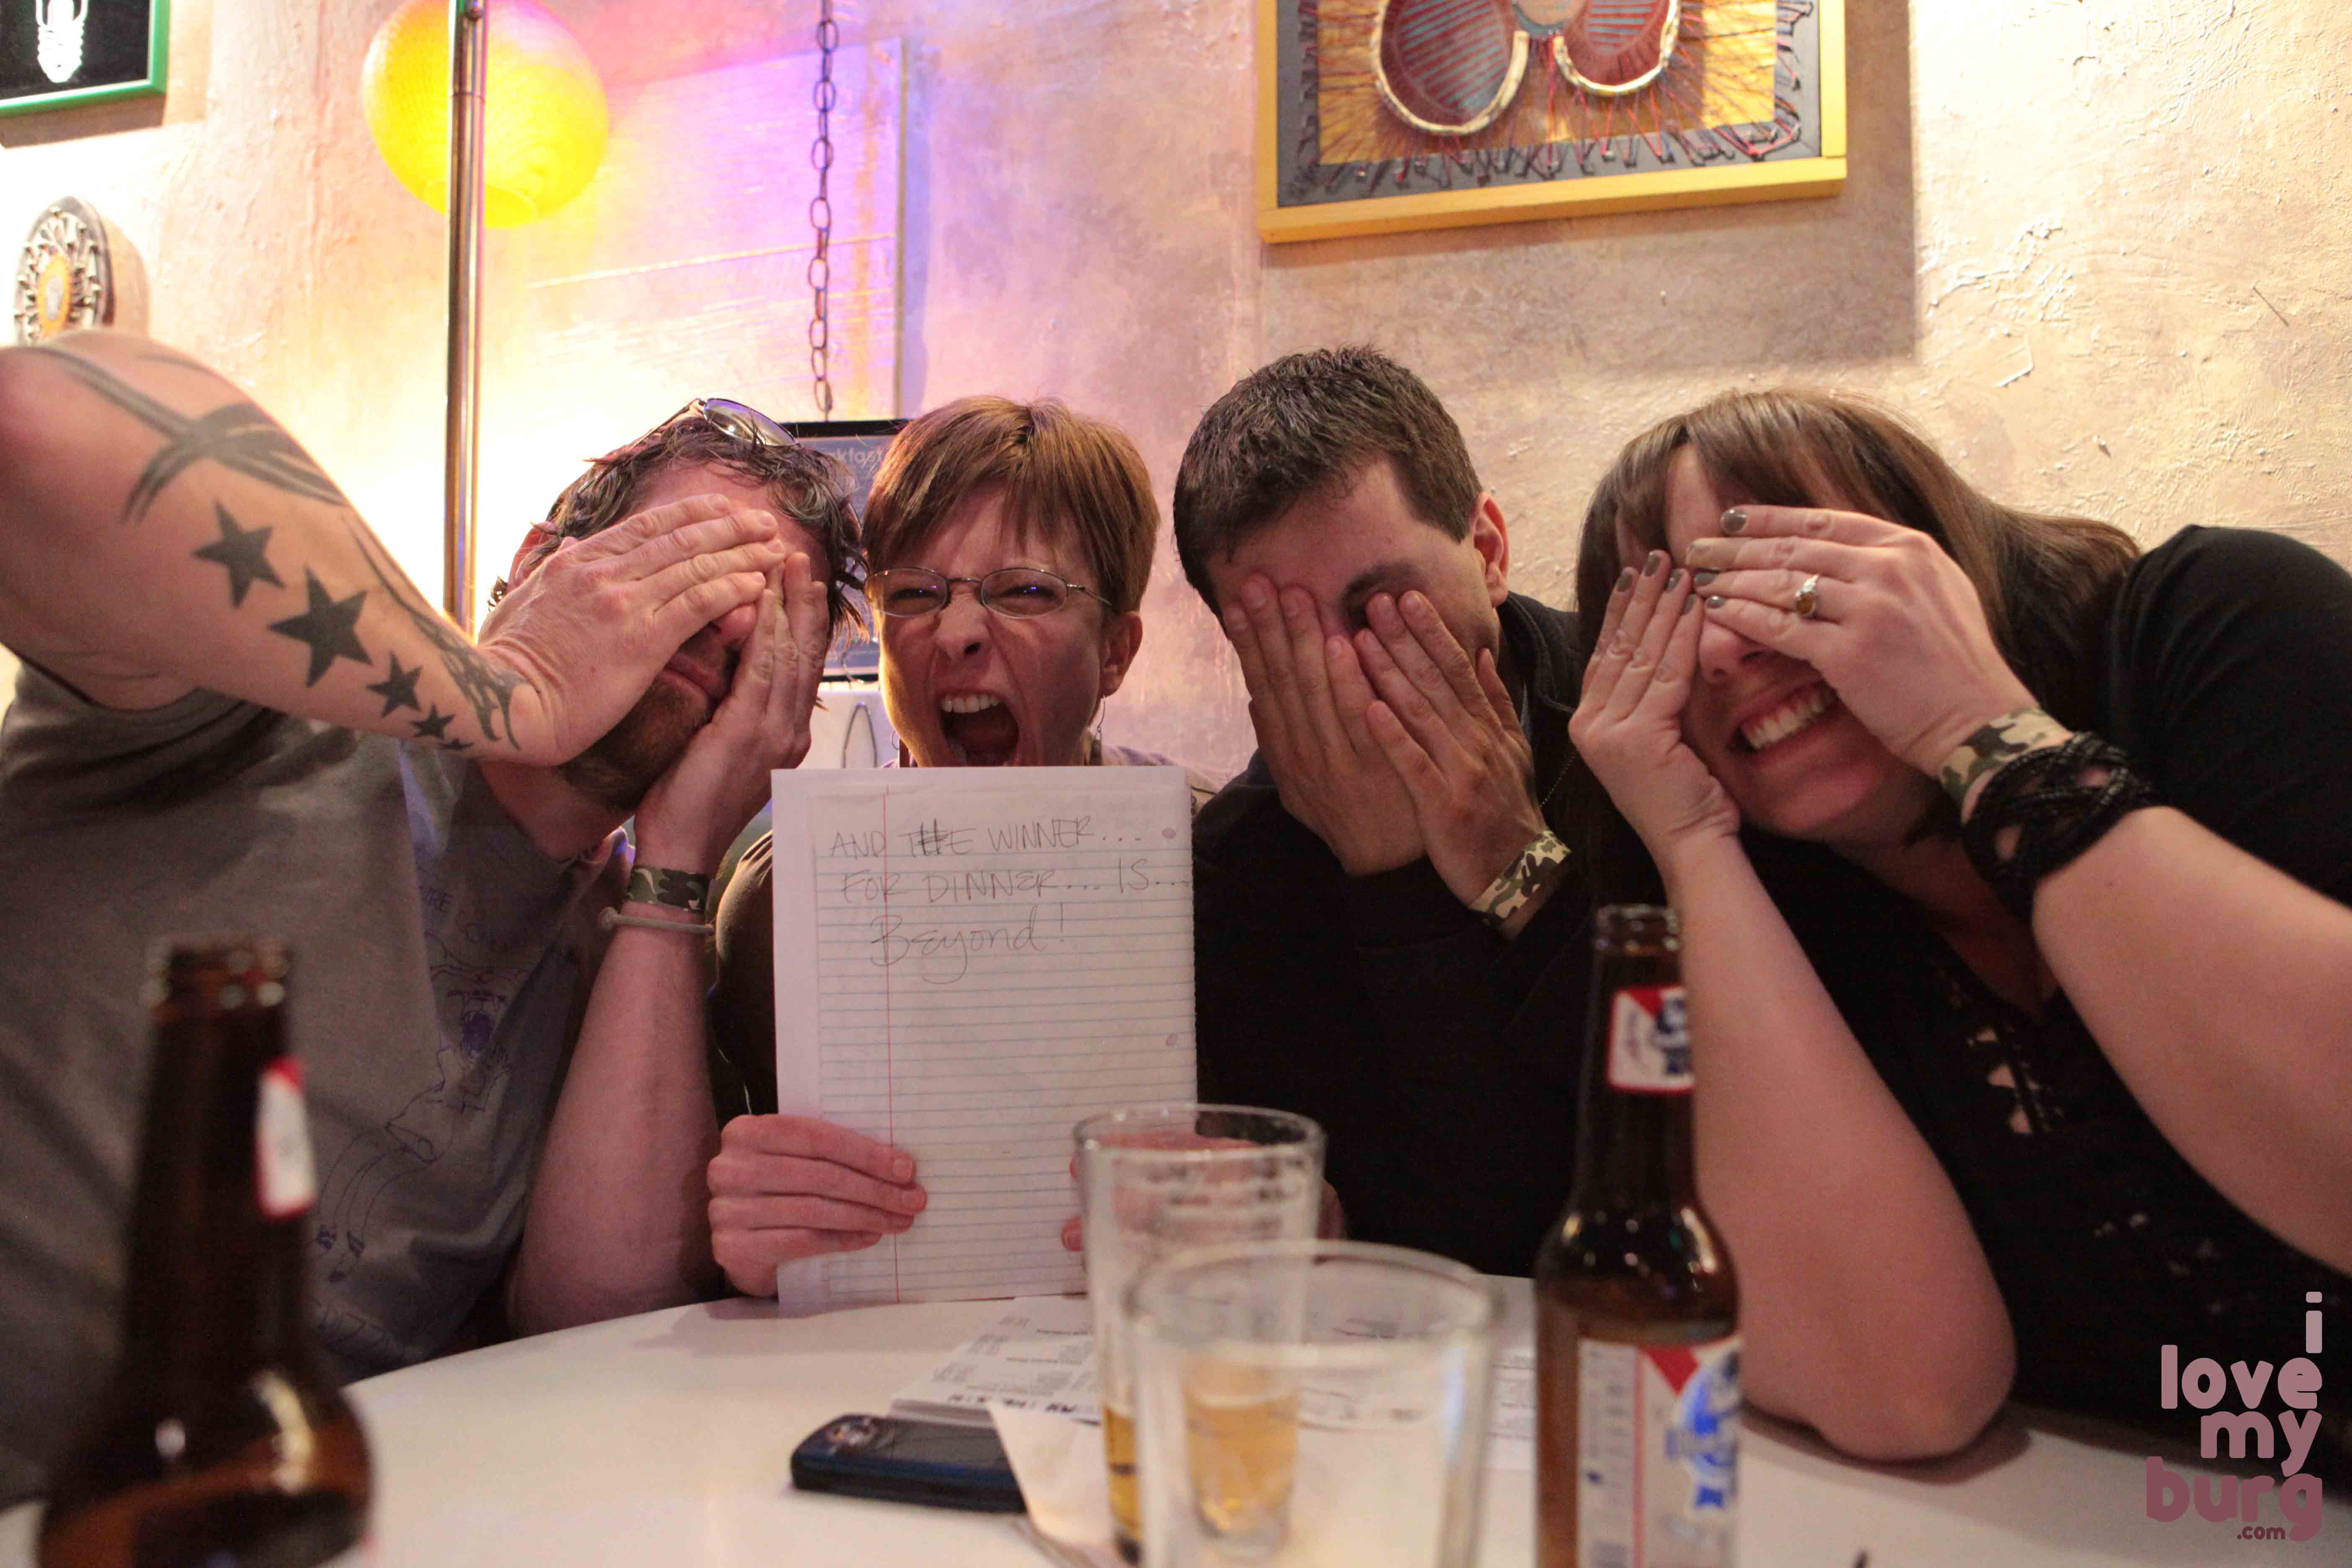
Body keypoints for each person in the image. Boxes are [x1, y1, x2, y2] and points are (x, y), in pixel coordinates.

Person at [0, 333, 851, 1506]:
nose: (718, 635)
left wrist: (674, 865)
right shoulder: (254, 710)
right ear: (541, 560)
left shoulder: (627, 962)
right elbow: (32, 424)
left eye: (770, 632)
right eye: (683, 568)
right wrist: (505, 694)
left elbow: (598, 1324)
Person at [1568, 386, 2352, 1478]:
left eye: (1768, 569)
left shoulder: (2222, 626)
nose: (1723, 650)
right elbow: (1906, 1395)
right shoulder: (1784, 927)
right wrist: (1690, 841)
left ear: (1927, 548)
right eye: (1664, 619)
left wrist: (1975, 733)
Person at [704, 395, 1217, 1297]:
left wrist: (1288, 1209)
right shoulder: (782, 904)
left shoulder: (1220, 864)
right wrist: (746, 1246)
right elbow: (748, 1234)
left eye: (1026, 591)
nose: (957, 633)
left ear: (1115, 651)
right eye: (914, 595)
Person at [1170, 346, 1593, 1279]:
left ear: (1488, 552)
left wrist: (1520, 869)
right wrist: (1395, 888)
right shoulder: (1235, 871)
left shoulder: (1641, 726)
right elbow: (1465, 1235)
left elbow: (1708, 1135)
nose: (1345, 673)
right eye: (1285, 642)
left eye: (1384, 608)